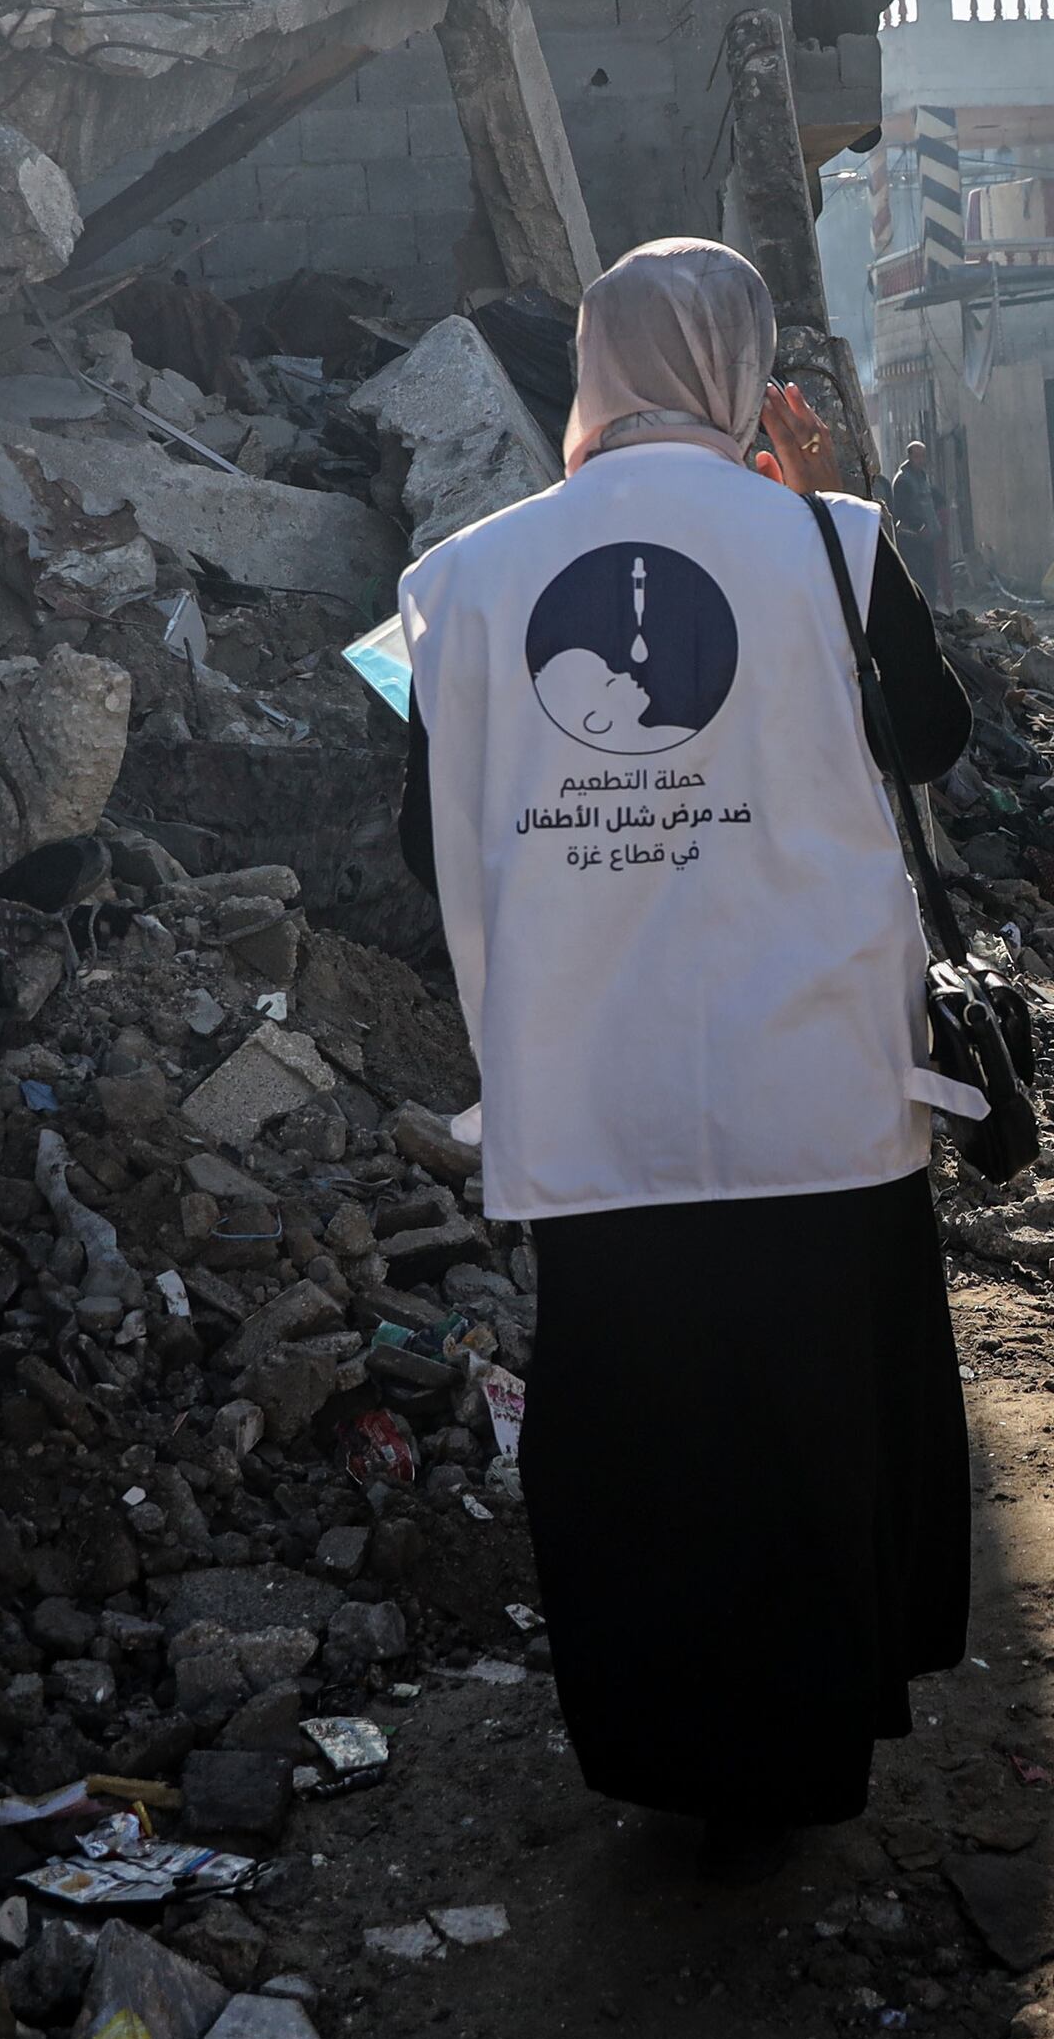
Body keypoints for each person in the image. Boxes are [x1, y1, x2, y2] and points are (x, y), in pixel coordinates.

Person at [391, 238, 987, 1853]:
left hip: (593, 1087)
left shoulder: (468, 577)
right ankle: (811, 1740)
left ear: (591, 362)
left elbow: (410, 840)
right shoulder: (829, 539)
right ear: (745, 366)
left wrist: (594, 846)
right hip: (821, 1079)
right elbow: (930, 737)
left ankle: (662, 1750)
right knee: (810, 1408)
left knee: (641, 1430)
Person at [883, 437, 948, 596]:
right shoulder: (903, 480)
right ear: (910, 457)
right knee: (918, 580)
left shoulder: (921, 477)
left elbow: (928, 497)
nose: (921, 460)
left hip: (925, 539)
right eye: (917, 456)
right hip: (911, 539)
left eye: (923, 456)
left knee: (929, 580)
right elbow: (901, 511)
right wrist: (920, 526)